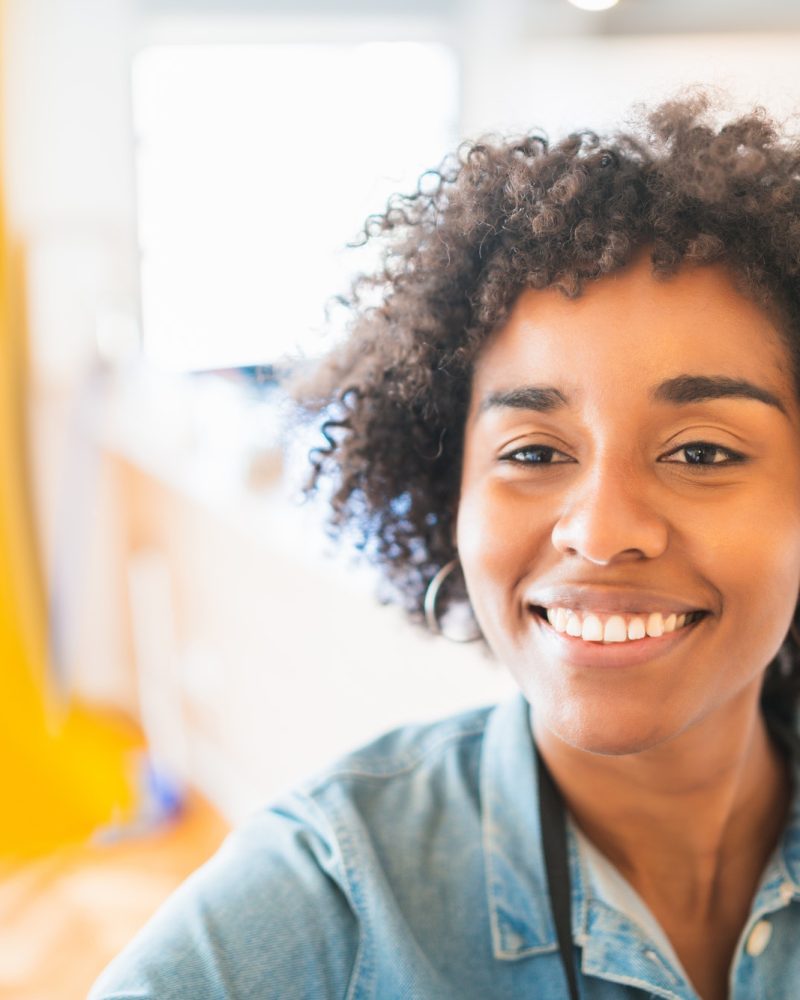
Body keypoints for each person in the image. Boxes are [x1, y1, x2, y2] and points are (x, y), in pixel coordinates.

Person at [90, 94, 800, 1000]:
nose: (602, 529)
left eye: (700, 452)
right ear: (448, 485)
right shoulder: (332, 903)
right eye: (534, 453)